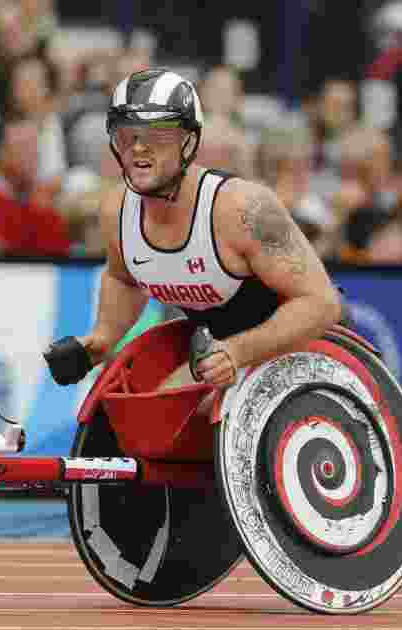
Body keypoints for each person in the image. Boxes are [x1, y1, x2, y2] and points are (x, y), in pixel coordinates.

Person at [44, 68, 342, 390]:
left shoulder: (243, 208)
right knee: (146, 415)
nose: (139, 148)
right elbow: (124, 278)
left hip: (309, 348)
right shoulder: (117, 211)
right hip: (223, 350)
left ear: (188, 141)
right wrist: (101, 340)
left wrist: (238, 351)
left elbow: (322, 305)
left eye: (156, 135)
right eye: (128, 135)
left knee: (178, 409)